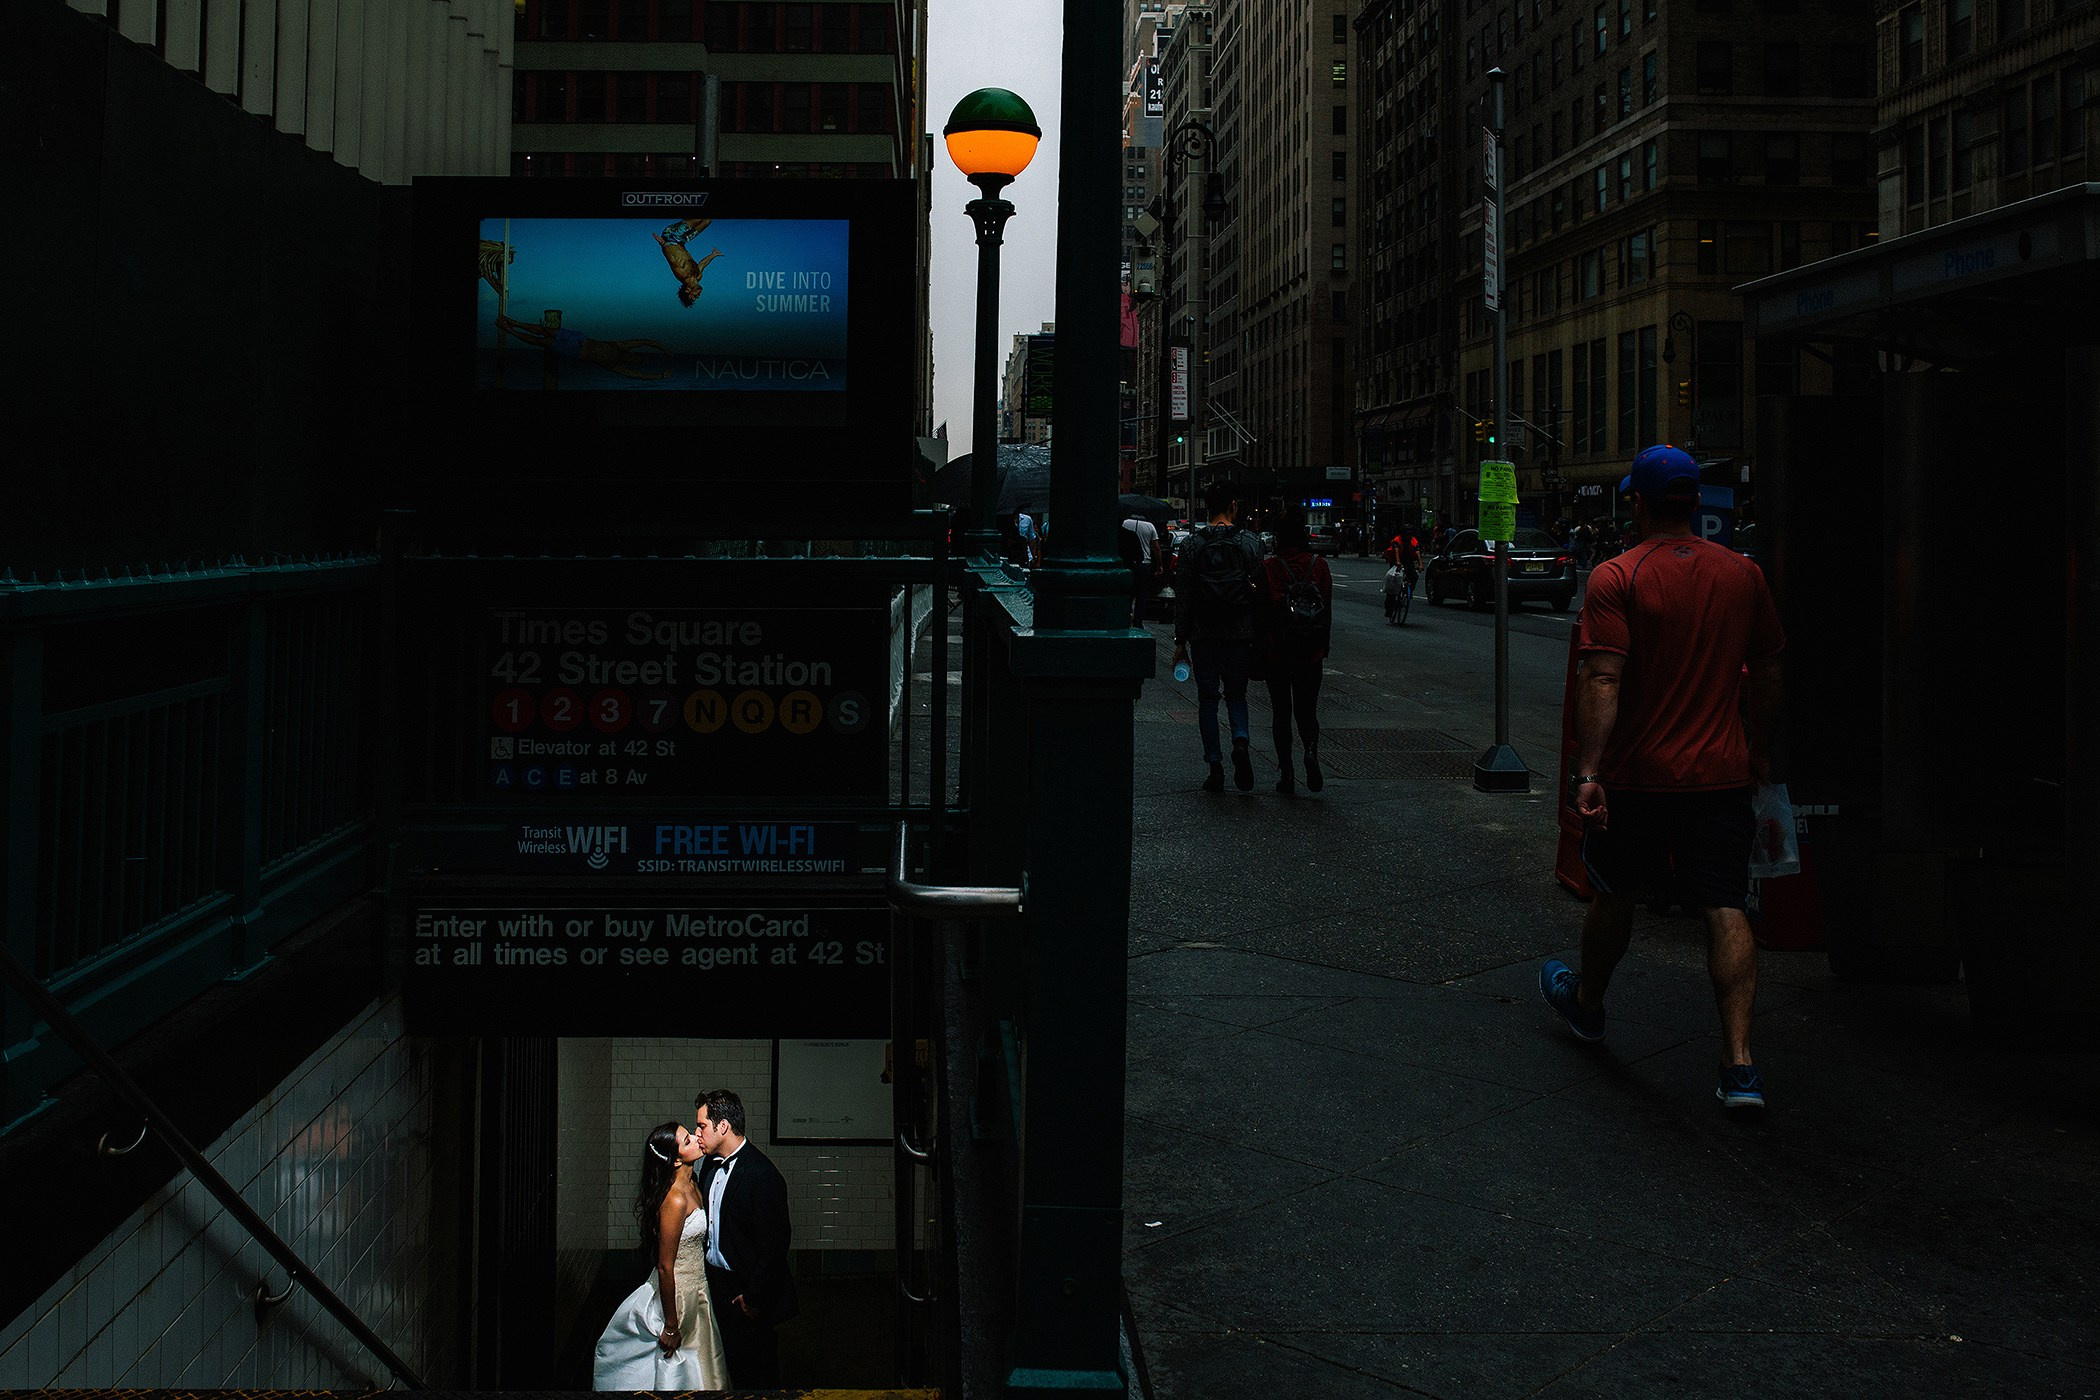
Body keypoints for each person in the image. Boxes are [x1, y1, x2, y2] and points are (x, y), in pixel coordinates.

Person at [1540, 444, 1785, 1110]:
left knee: (1614, 895)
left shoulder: (1619, 575)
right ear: (1695, 504)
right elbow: (1766, 672)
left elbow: (1604, 678)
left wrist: (1588, 771)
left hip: (1640, 777)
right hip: (1719, 776)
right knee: (1725, 907)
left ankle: (1587, 1005)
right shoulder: (1744, 575)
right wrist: (1757, 751)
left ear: (1639, 504)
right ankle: (1739, 1067)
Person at [592, 1122, 730, 1390]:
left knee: (703, 1365)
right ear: (676, 1160)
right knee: (679, 1370)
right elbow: (665, 1266)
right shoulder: (675, 1200)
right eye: (687, 1140)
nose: (695, 1136)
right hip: (676, 1294)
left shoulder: (695, 1184)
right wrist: (670, 1324)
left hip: (698, 1290)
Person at [695, 1088, 798, 1387]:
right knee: (721, 1367)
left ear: (723, 1126)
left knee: (756, 1372)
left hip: (745, 1290)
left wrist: (754, 1298)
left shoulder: (763, 1175)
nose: (697, 1132)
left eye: (702, 1125)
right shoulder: (710, 1167)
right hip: (713, 1284)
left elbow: (775, 1246)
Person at [1172, 480, 1264, 793]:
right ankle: (1240, 740)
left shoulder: (1192, 545)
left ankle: (1215, 765)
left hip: (1203, 634)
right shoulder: (1250, 543)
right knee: (1237, 696)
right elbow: (1258, 592)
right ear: (1233, 506)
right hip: (1239, 633)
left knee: (1207, 701)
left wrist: (1180, 640)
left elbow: (1183, 596)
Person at [1253, 508, 1332, 794]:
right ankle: (1310, 751)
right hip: (1310, 652)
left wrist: (1259, 654)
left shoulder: (1270, 568)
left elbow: (1260, 615)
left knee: (1281, 713)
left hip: (1277, 651)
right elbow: (1327, 611)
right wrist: (1323, 647)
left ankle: (1287, 774)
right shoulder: (1319, 566)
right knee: (1307, 710)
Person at [493, 315, 671, 380]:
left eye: (634, 361)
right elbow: (646, 341)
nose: (632, 358)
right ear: (632, 354)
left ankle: (510, 331)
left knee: (542, 342)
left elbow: (639, 375)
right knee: (545, 330)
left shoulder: (615, 366)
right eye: (635, 356)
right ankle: (513, 321)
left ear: (631, 363)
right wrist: (664, 349)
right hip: (580, 339)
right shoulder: (620, 346)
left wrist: (660, 376)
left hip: (576, 352)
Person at [654, 218, 725, 307]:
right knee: (707, 221)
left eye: (693, 296)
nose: (698, 296)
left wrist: (663, 245)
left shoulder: (682, 274)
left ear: (687, 290)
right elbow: (703, 264)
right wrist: (713, 255)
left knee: (699, 219)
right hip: (682, 240)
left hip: (670, 237)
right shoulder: (698, 276)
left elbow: (671, 259)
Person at [1120, 515, 1164, 625]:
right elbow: (1156, 547)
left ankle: (1124, 618)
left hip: (1128, 562)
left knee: (1127, 593)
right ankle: (1138, 622)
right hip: (1145, 563)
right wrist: (1159, 565)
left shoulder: (1125, 523)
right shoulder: (1150, 526)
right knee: (1141, 595)